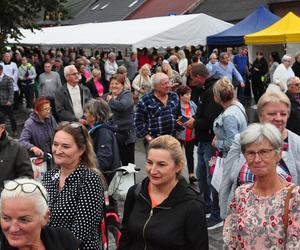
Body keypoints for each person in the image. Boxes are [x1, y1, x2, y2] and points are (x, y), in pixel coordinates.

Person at [118, 135, 208, 250]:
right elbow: (126, 236)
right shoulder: (136, 192)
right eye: (149, 162)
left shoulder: (192, 205)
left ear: (178, 166)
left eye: (161, 164)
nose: (153, 170)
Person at [220, 91, 300, 219]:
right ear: (261, 116)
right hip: (243, 218)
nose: (278, 118)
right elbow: (226, 180)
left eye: (283, 114)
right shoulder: (242, 139)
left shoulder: (297, 144)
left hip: (282, 222)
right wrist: (225, 215)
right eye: (272, 113)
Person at [224, 123, 300, 249]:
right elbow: (230, 240)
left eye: (264, 152)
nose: (257, 159)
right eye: (251, 153)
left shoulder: (294, 197)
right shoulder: (241, 194)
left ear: (278, 154)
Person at [42, 122, 105, 250]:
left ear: (81, 149)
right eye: (55, 144)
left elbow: (80, 232)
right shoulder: (49, 176)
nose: (58, 151)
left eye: (65, 146)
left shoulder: (90, 179)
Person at [184, 63, 223, 225]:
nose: (191, 81)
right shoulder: (205, 89)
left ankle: (216, 213)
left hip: (209, 141)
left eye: (192, 78)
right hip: (203, 140)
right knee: (202, 176)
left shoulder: (212, 90)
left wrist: (194, 123)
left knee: (211, 177)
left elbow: (211, 120)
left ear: (200, 77)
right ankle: (207, 206)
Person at [208, 77, 248, 229]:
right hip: (236, 159)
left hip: (232, 161)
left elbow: (233, 142)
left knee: (226, 192)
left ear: (217, 97)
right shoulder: (237, 106)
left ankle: (225, 220)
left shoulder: (229, 115)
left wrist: (216, 143)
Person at [0, 178, 82, 250]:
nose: (13, 229)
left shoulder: (63, 240)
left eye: (24, 220)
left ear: (45, 217)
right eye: (6, 218)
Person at [134, 72, 181, 148]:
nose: (168, 86)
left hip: (172, 140)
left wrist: (184, 125)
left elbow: (179, 116)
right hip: (154, 142)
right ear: (155, 86)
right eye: (164, 84)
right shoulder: (145, 100)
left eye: (168, 82)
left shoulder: (174, 96)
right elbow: (137, 122)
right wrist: (149, 139)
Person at [84, 99, 121, 184]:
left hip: (102, 180)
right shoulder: (96, 130)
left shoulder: (103, 132)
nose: (84, 115)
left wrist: (86, 169)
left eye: (86, 112)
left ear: (94, 116)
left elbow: (104, 161)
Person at [104, 74, 135, 165]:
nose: (114, 86)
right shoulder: (106, 96)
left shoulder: (127, 94)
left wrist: (111, 101)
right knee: (114, 164)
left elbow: (123, 106)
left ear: (122, 85)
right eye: (112, 83)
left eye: (117, 83)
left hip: (125, 136)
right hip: (111, 136)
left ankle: (129, 179)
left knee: (128, 165)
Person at [0, 112, 33, 188]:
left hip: (7, 197)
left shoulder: (17, 148)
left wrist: (7, 191)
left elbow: (27, 179)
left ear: (2, 128)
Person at [176, 86, 197, 183]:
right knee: (178, 155)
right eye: (187, 94)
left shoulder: (192, 104)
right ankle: (177, 174)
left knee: (190, 154)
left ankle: (191, 174)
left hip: (191, 134)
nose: (189, 96)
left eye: (190, 94)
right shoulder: (177, 106)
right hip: (179, 134)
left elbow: (196, 116)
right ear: (181, 96)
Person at [0, 64, 17, 137]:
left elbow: (11, 90)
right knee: (1, 118)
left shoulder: (8, 78)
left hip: (7, 101)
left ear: (1, 70)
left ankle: (14, 130)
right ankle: (2, 132)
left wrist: (10, 100)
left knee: (11, 117)